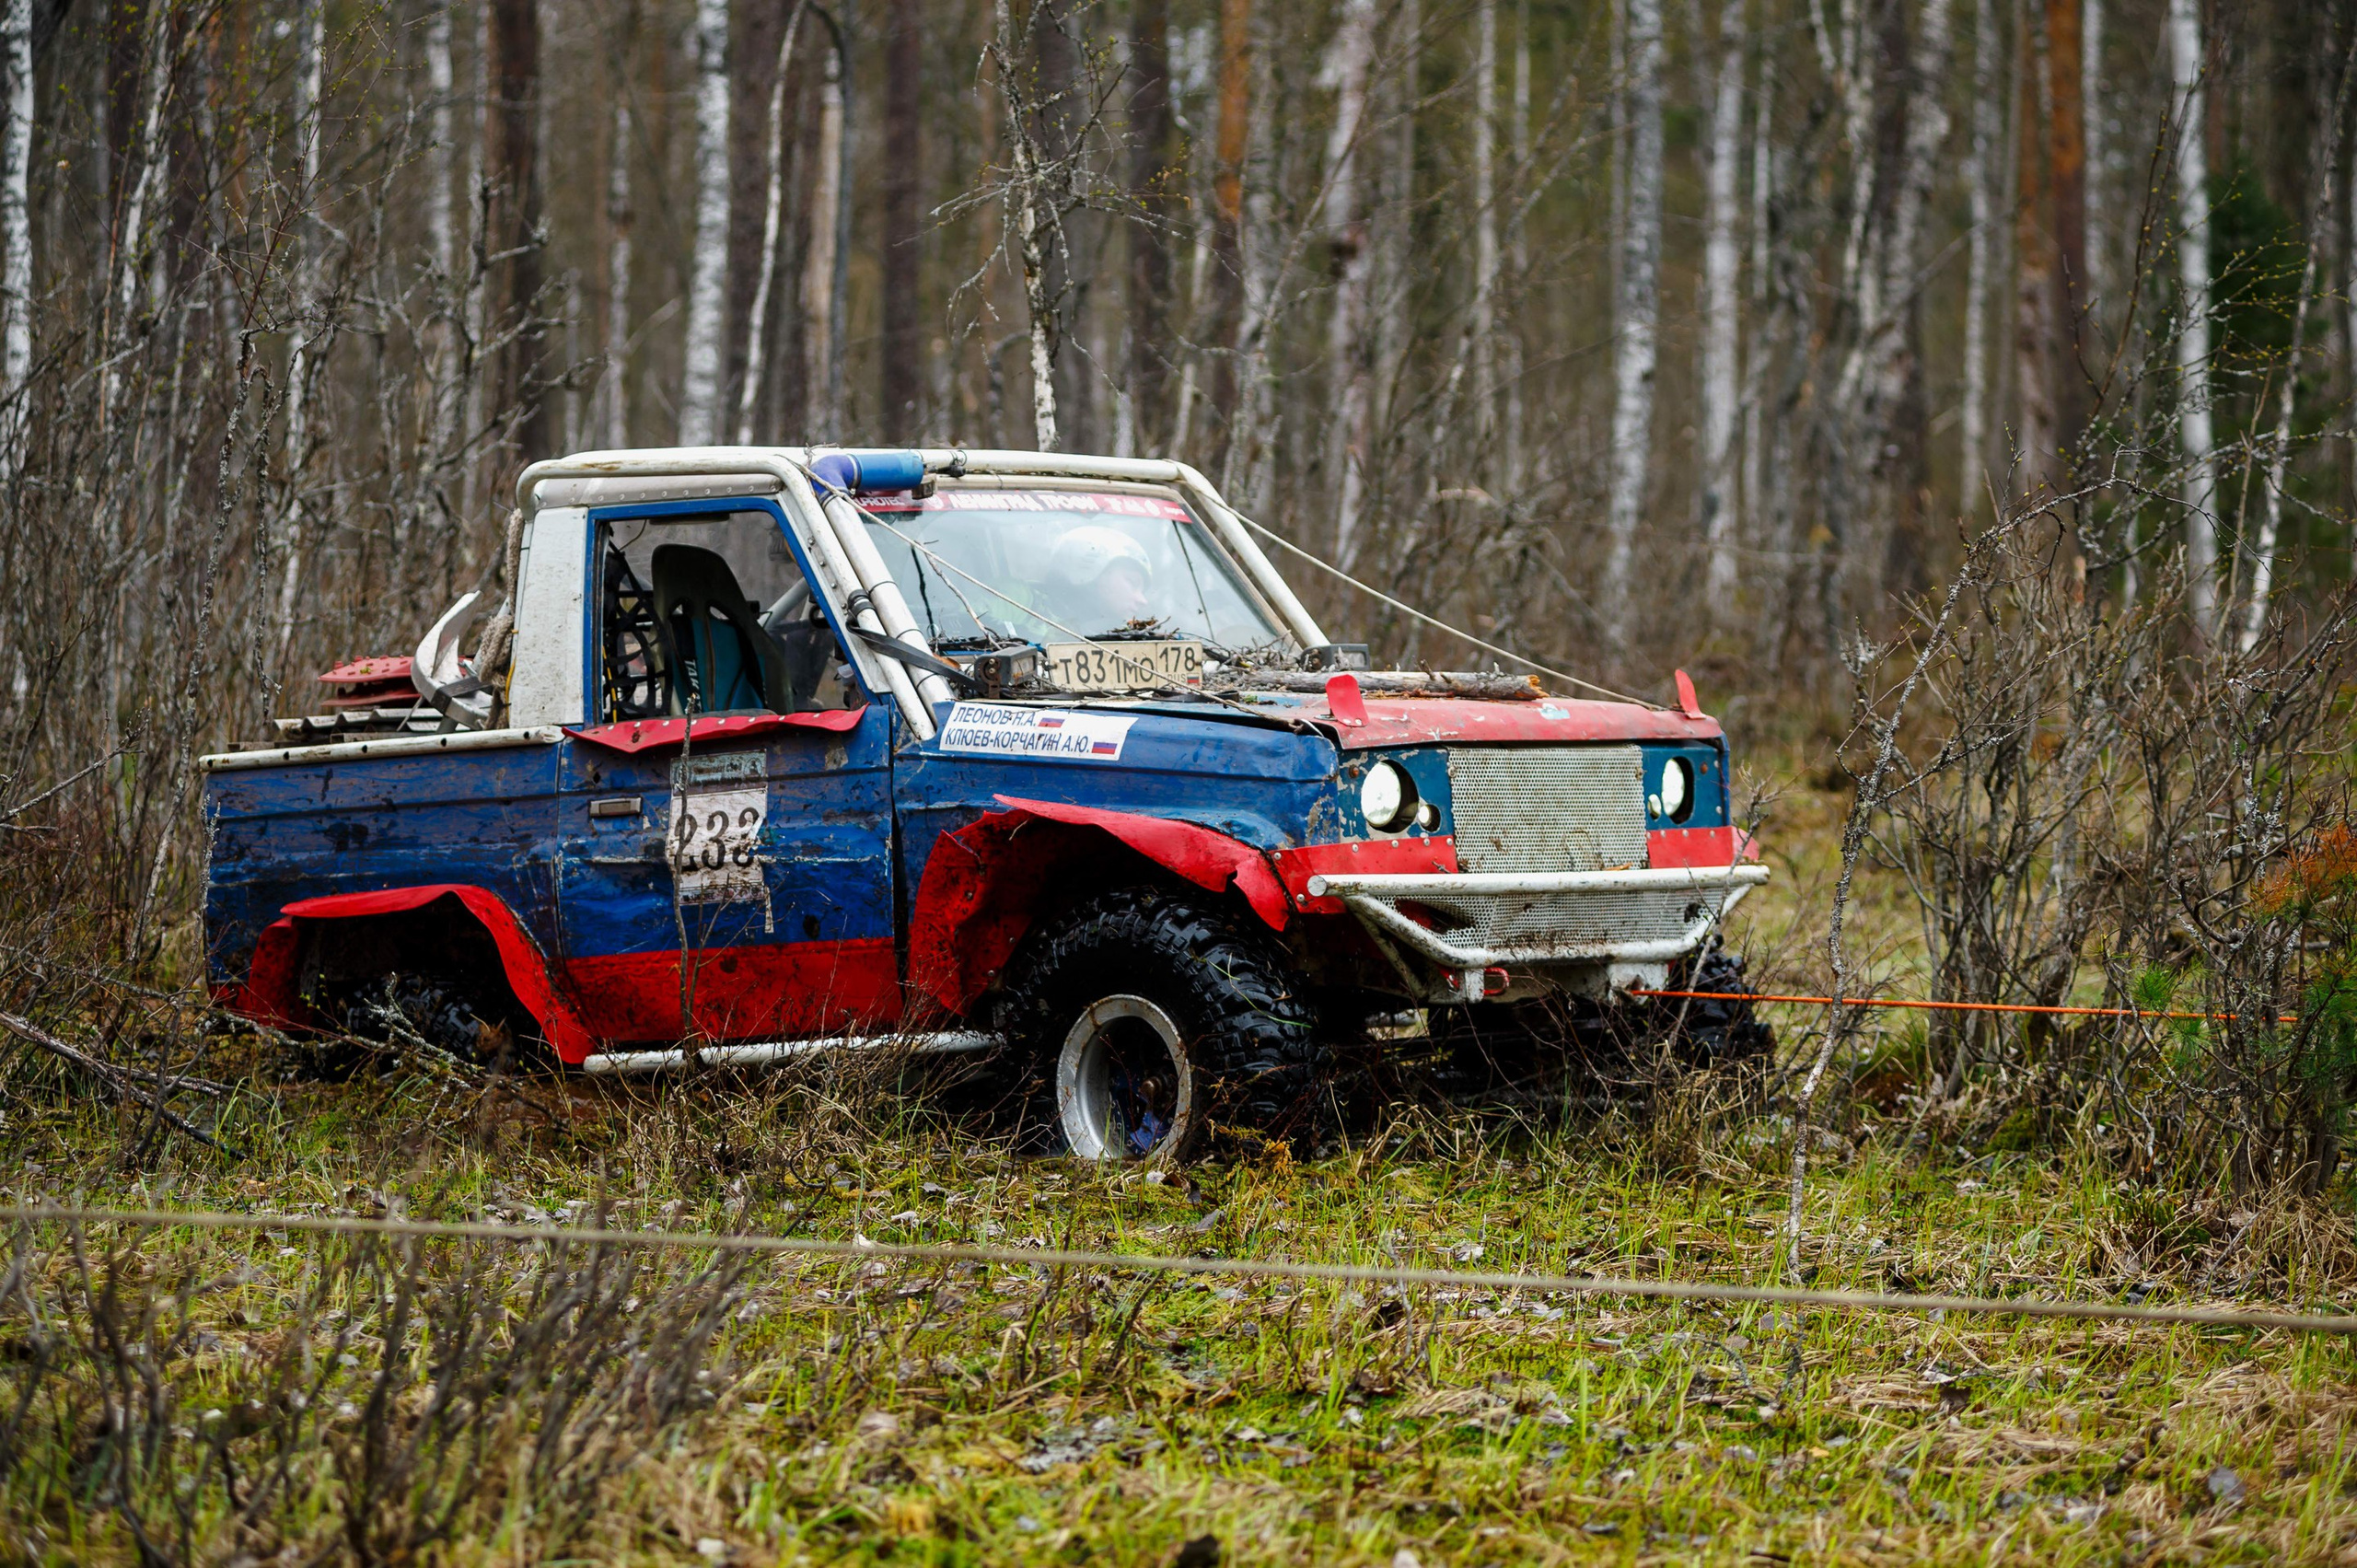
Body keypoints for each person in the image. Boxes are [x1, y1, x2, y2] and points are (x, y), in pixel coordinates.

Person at [1047, 525, 1155, 632]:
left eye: (1142, 591)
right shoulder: (1033, 617)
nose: (1143, 601)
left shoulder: (1123, 638)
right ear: (1094, 574)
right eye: (1132, 582)